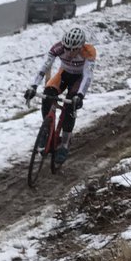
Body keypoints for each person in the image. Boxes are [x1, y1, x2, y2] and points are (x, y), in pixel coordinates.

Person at [23, 25, 97, 164]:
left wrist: (80, 96)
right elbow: (44, 67)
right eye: (67, 48)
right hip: (63, 75)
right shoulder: (58, 48)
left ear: (80, 47)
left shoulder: (88, 51)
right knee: (48, 94)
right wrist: (33, 86)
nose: (69, 52)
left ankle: (64, 145)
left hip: (78, 78)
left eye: (73, 49)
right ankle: (47, 129)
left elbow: (87, 76)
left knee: (70, 106)